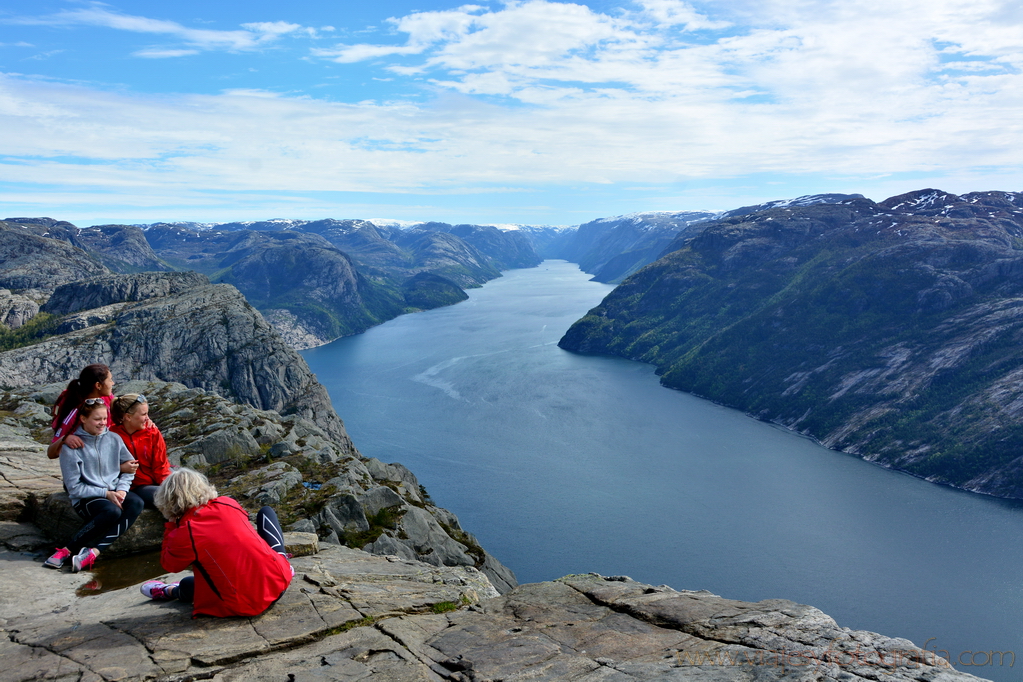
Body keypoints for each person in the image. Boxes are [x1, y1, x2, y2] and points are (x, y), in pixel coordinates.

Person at [141, 468, 293, 617]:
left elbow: (169, 564)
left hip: (246, 605)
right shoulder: (228, 503)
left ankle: (168, 591)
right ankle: (282, 561)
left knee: (189, 584)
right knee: (266, 512)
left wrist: (171, 525)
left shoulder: (185, 532)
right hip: (280, 584)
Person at [44, 400, 143, 572]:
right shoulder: (72, 447)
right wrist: (106, 494)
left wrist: (121, 490)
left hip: (113, 490)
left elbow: (130, 467)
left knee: (137, 503)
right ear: (83, 418)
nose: (103, 423)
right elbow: (74, 488)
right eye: (97, 419)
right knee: (112, 512)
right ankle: (66, 550)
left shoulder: (114, 438)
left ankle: (93, 553)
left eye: (105, 418)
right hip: (86, 497)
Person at [110, 394, 170, 509]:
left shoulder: (152, 432)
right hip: (135, 486)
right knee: (170, 497)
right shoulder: (112, 436)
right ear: (128, 417)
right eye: (144, 414)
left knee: (184, 490)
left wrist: (169, 485)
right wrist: (120, 468)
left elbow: (160, 466)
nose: (148, 418)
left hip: (155, 480)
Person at [48, 364, 115, 460]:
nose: (113, 383)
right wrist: (65, 439)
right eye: (110, 380)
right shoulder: (77, 412)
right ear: (98, 385)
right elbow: (51, 453)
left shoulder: (107, 397)